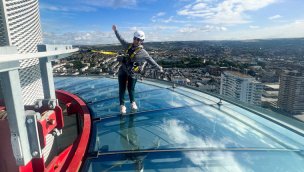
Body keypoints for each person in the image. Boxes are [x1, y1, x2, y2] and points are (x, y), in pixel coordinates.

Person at [112, 25, 163, 114]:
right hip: (123, 70)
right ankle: (122, 105)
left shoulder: (143, 53)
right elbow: (120, 39)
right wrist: (115, 31)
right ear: (133, 38)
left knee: (131, 89)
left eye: (139, 39)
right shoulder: (127, 46)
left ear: (142, 41)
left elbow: (151, 61)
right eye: (135, 38)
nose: (136, 41)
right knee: (122, 88)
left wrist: (159, 68)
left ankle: (132, 102)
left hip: (133, 73)